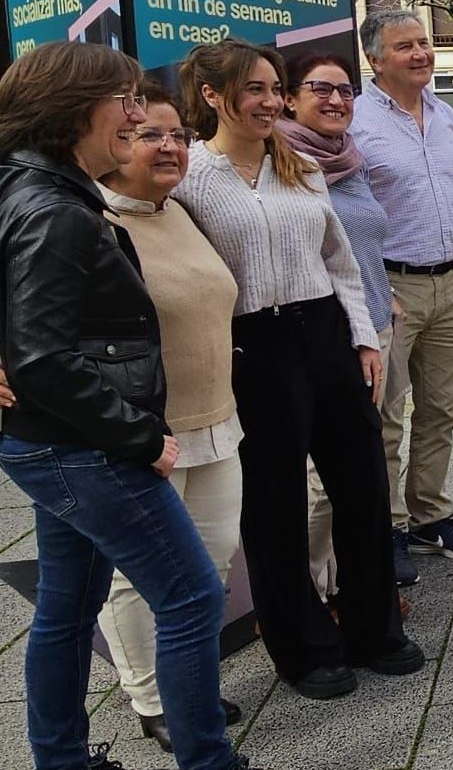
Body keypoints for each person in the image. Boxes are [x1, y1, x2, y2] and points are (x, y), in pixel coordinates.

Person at [0, 40, 316, 770]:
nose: (137, 116)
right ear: (71, 111)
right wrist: (139, 436)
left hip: (52, 441)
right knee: (191, 595)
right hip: (80, 448)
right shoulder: (56, 210)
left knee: (65, 608)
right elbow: (41, 353)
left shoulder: (27, 186)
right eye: (122, 101)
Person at [0, 84, 245, 754]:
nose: (170, 145)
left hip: (214, 422)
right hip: (140, 435)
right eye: (149, 134)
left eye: (179, 134)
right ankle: (156, 706)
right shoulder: (85, 218)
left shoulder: (182, 212)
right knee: (147, 586)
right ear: (111, 147)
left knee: (207, 570)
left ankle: (183, 696)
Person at [174, 39, 419, 700]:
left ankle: (374, 630)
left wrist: (363, 338)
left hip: (325, 331)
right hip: (252, 344)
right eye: (254, 89)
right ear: (212, 96)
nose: (270, 101)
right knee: (274, 503)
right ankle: (303, 648)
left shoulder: (298, 166)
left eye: (275, 88)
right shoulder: (190, 177)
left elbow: (339, 261)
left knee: (363, 483)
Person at [352, 9, 453, 562]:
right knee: (386, 415)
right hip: (391, 286)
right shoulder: (358, 121)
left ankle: (431, 513)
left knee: (442, 409)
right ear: (375, 60)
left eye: (424, 42)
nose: (420, 54)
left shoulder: (444, 114)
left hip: (452, 280)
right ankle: (390, 527)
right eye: (405, 46)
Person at [279, 53, 415, 590]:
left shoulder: (349, 160)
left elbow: (358, 241)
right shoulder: (283, 162)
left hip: (377, 324)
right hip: (328, 336)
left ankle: (351, 580)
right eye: (321, 89)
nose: (337, 100)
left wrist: (388, 295)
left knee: (370, 457)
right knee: (321, 477)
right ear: (290, 98)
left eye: (345, 91)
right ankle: (308, 590)